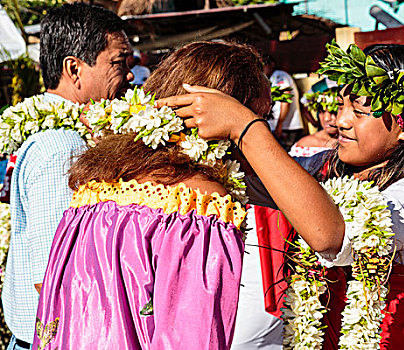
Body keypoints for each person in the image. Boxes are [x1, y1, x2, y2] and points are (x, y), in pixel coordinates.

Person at [156, 42, 404, 349]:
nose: (340, 121)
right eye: (341, 105)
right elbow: (263, 178)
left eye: (360, 111)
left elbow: (334, 238)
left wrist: (244, 125)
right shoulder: (323, 167)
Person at [32, 41, 270, 349]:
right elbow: (191, 338)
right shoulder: (199, 204)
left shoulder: (92, 190)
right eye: (257, 118)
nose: (265, 134)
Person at [0, 4, 133, 350]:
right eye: (119, 63)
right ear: (74, 68)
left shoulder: (68, 138)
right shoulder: (63, 147)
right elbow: (54, 273)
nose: (131, 76)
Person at [263, 56, 304, 151]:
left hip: (287, 127)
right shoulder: (272, 78)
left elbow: (285, 100)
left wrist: (279, 125)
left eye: (264, 65)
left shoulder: (280, 76)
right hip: (282, 127)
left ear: (271, 65)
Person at [288, 87, 338, 157]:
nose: (326, 118)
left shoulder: (355, 144)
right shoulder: (305, 145)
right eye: (322, 111)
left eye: (333, 112)